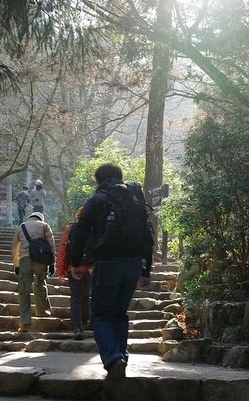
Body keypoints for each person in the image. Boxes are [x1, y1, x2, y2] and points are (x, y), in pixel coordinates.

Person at [69, 163, 153, 382]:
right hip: (134, 264)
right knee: (119, 314)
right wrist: (146, 270)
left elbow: (78, 232)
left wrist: (75, 262)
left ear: (98, 180)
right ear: (120, 176)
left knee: (101, 315)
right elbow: (147, 235)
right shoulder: (135, 200)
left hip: (108, 262)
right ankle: (121, 357)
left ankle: (113, 359)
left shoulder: (98, 199)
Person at [12, 211, 56, 332]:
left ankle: (24, 323)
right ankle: (41, 311)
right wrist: (52, 263)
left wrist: (16, 264)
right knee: (40, 284)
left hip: (25, 260)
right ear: (40, 218)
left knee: (24, 290)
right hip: (41, 259)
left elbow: (15, 247)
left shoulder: (21, 226)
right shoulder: (44, 225)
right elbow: (51, 245)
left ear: (30, 218)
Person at [56, 207, 93, 341]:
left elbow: (63, 250)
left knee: (76, 297)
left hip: (74, 268)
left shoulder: (70, 229)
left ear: (77, 217)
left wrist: (61, 270)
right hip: (90, 268)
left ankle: (77, 326)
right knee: (86, 295)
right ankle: (85, 321)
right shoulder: (95, 229)